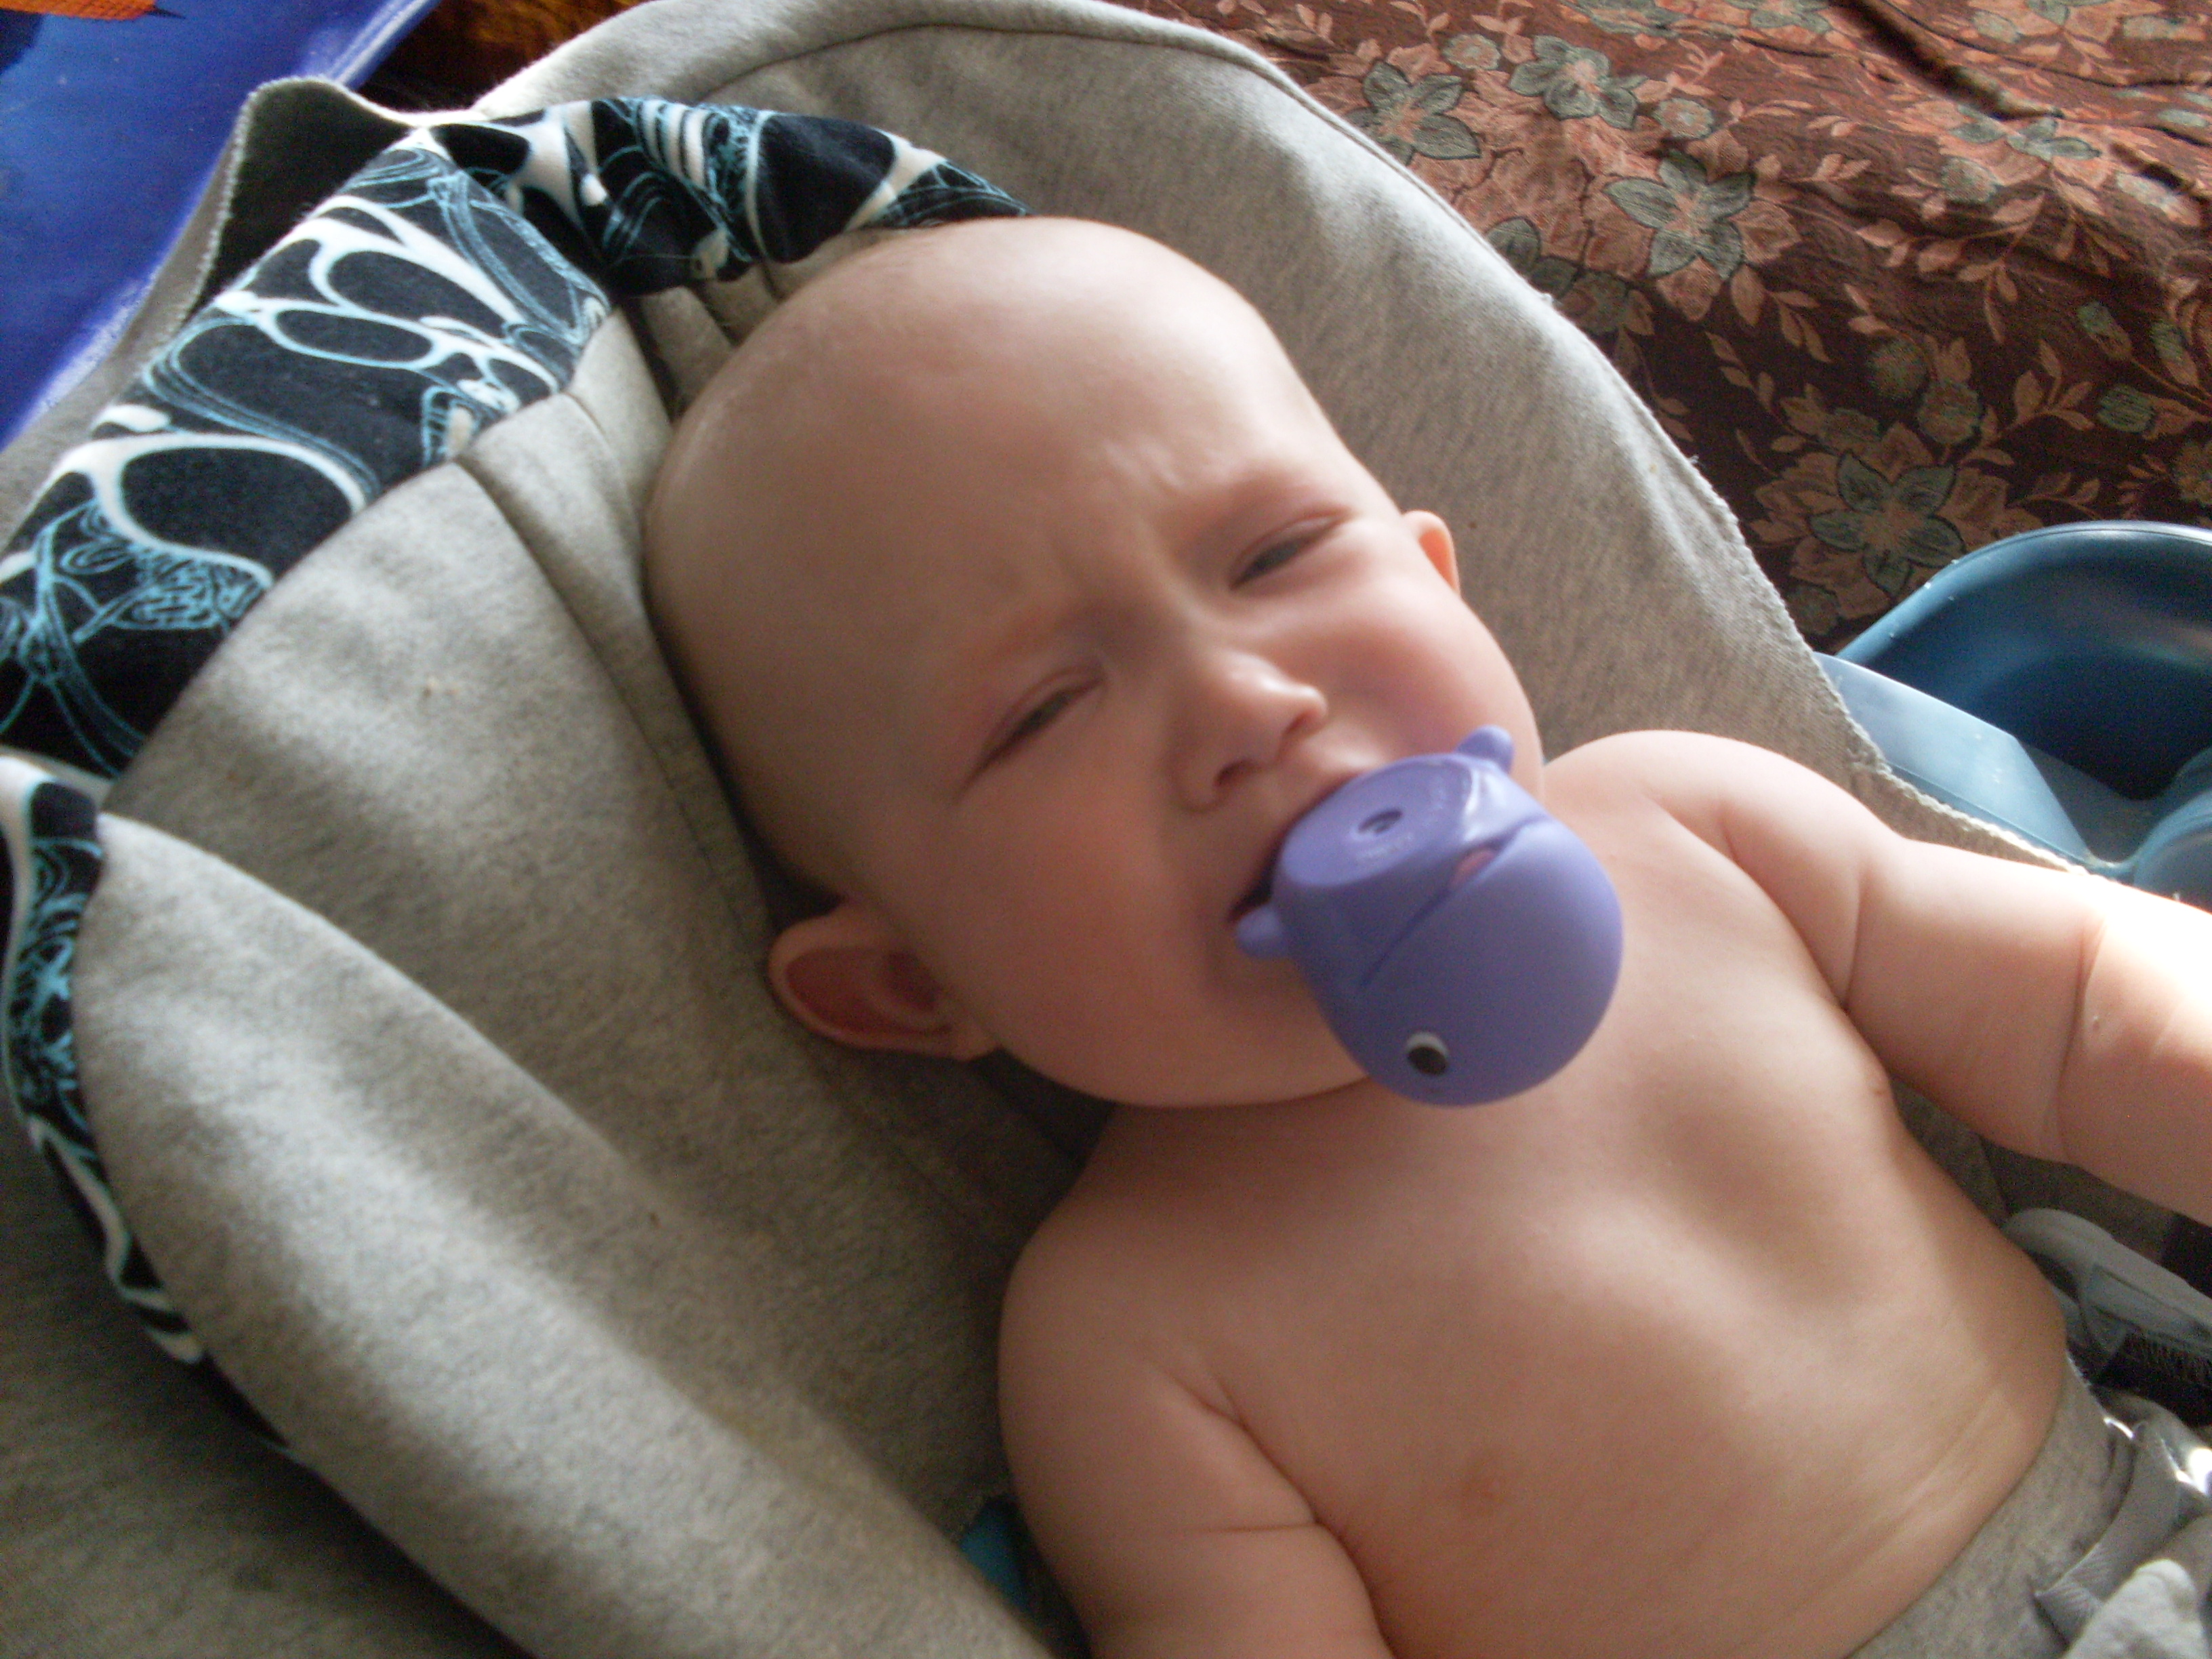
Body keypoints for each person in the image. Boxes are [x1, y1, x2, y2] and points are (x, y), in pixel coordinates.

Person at [642, 214, 2212, 1659]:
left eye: (1275, 554)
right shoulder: (1126, 1331)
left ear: (1434, 575)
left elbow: (2083, 1010)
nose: (1249, 704)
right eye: (1044, 709)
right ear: (908, 982)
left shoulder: (1689, 827)